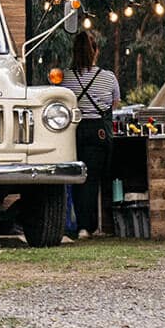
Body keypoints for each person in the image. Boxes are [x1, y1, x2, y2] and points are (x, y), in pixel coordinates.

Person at [60, 29, 120, 237]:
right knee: (91, 180)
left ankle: (75, 224)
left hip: (72, 131)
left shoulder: (64, 78)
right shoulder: (108, 77)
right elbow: (114, 105)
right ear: (95, 51)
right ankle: (88, 226)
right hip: (98, 132)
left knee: (73, 177)